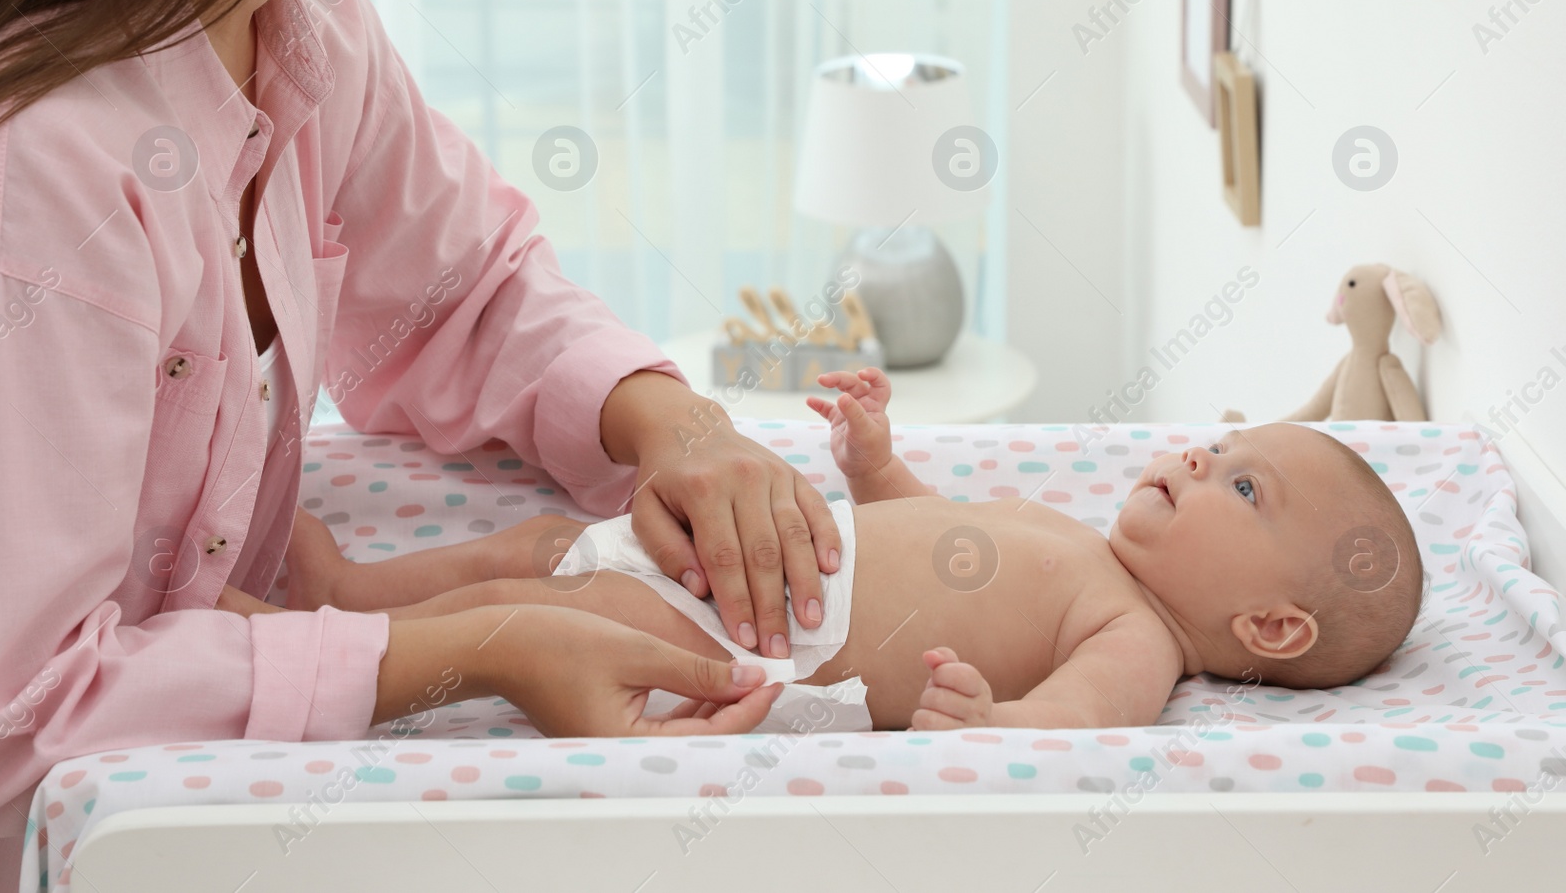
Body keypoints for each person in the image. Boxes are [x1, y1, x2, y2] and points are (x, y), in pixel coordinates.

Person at [0, 0, 839, 881]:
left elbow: (461, 286)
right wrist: (481, 645)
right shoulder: (39, 175)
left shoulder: (297, 14)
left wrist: (667, 420)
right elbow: (4, 720)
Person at [267, 367, 1426, 732]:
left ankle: (322, 651)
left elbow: (1076, 720)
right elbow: (926, 525)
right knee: (538, 544)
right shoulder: (1083, 543)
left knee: (536, 603)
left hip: (757, 633)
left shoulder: (1136, 637)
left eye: (1239, 482)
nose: (1188, 456)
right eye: (1214, 441)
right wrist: (874, 461)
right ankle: (349, 587)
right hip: (744, 566)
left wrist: (991, 721)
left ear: (1272, 624)